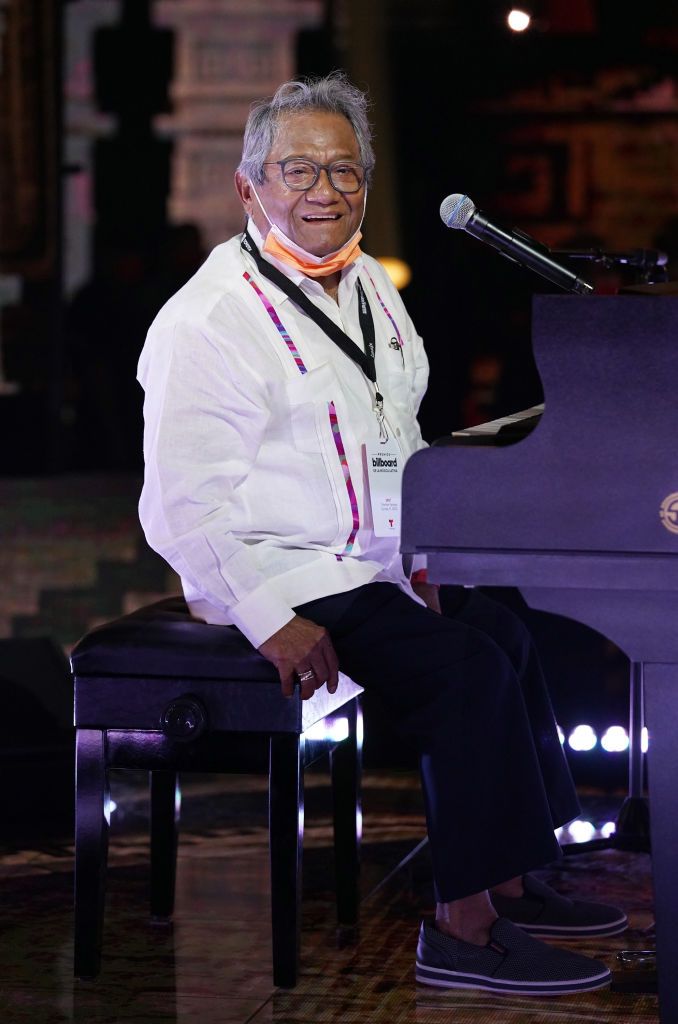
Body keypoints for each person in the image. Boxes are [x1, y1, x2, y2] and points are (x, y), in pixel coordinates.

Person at [137, 72, 627, 996]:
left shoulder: (370, 286)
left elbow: (397, 441)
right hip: (275, 565)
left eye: (345, 171)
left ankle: (516, 879)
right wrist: (266, 616)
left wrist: (424, 556)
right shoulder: (206, 322)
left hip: (366, 562)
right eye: (298, 170)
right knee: (464, 669)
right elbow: (179, 507)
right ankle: (463, 933)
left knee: (505, 632)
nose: (325, 190)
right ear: (251, 188)